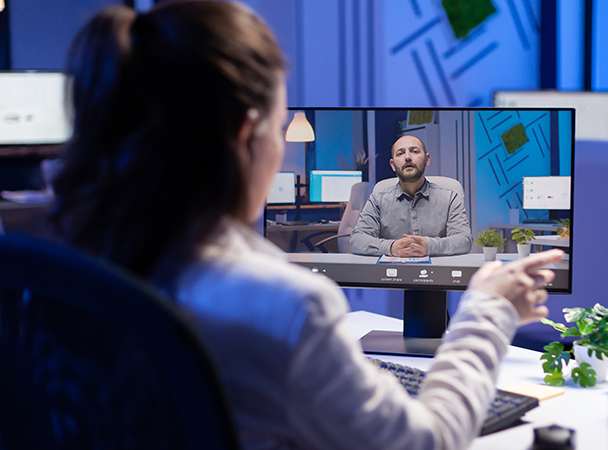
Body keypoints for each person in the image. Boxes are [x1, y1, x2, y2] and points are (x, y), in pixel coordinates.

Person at [50, 2, 564, 450]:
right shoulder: (288, 306)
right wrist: (487, 310)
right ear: (247, 133)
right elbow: (421, 442)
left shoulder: (64, 264)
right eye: (279, 129)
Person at [350, 135, 472, 257]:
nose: (407, 157)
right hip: (392, 272)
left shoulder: (450, 197)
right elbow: (357, 239)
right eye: (400, 153)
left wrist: (429, 246)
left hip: (436, 273)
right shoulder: (378, 199)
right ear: (392, 165)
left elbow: (464, 240)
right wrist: (391, 247)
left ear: (427, 159)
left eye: (414, 151)